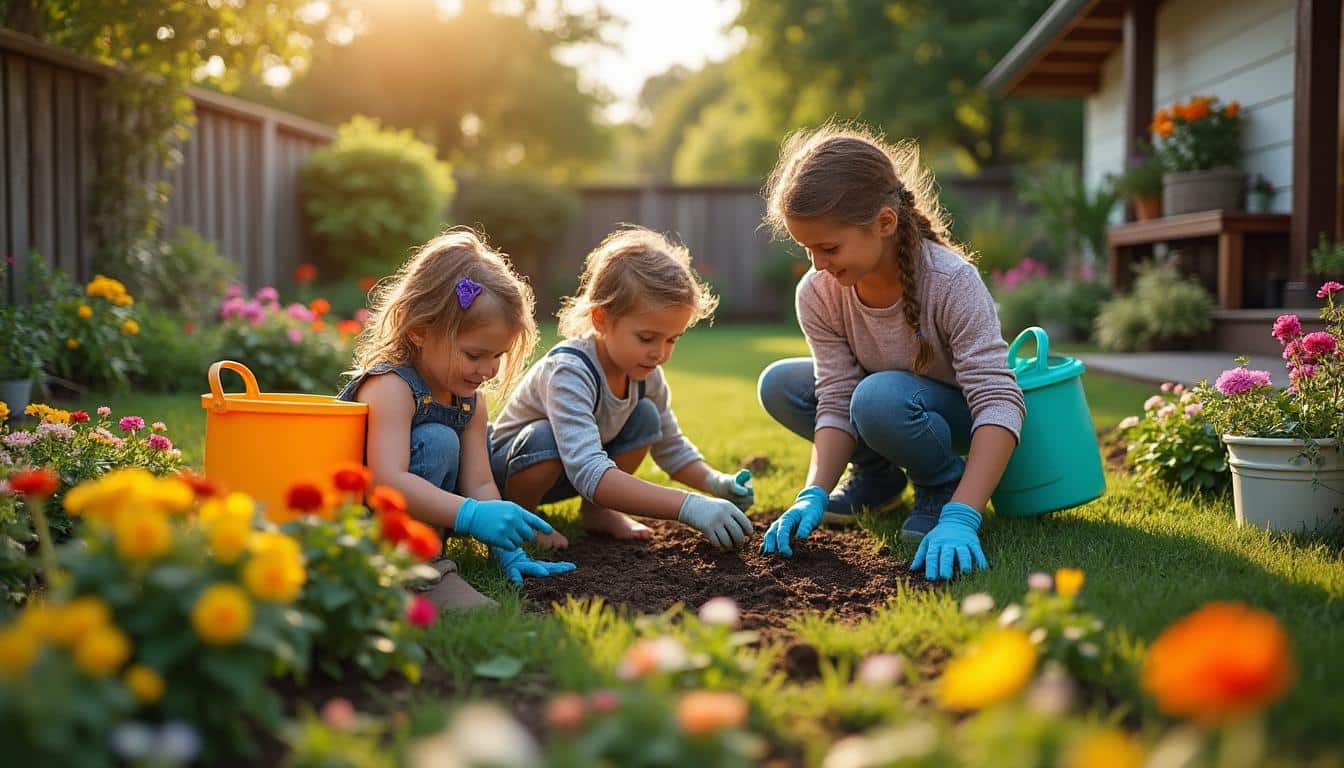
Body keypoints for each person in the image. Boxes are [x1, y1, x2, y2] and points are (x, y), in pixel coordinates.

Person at [755, 125, 1025, 581]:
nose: (817, 264)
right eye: (807, 249)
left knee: (878, 397)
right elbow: (836, 395)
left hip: (948, 417)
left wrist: (965, 514)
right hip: (883, 405)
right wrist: (813, 492)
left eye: (828, 247)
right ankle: (878, 479)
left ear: (884, 223)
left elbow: (999, 400)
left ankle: (942, 483)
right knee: (781, 385)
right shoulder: (818, 292)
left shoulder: (951, 281)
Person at [339, 229, 575, 609]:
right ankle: (414, 574)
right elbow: (384, 481)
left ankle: (423, 556)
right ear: (419, 331)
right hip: (360, 527)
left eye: (498, 354)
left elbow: (480, 481)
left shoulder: (470, 402)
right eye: (474, 354)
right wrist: (468, 514)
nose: (489, 369)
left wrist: (506, 548)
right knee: (437, 439)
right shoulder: (391, 388)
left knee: (445, 440)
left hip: (414, 521)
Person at [490, 226, 755, 552]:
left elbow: (671, 446)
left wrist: (716, 483)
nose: (660, 353)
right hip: (512, 472)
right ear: (601, 319)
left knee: (645, 417)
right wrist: (690, 507)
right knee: (543, 436)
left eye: (672, 339)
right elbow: (588, 470)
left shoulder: (644, 373)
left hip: (571, 474)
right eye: (647, 338)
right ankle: (522, 519)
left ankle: (598, 512)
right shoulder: (570, 371)